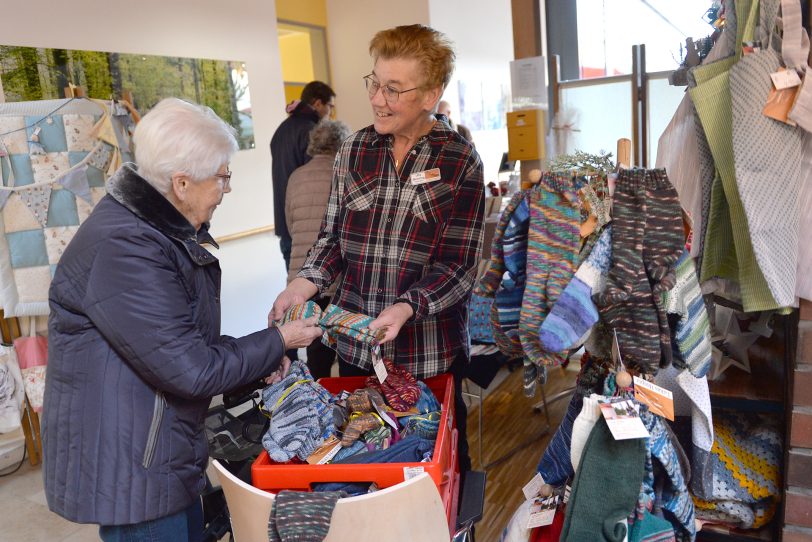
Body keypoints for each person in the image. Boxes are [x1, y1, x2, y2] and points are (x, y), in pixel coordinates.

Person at [42, 98, 323, 541]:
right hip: (136, 468)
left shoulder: (149, 232)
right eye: (222, 176)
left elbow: (175, 342)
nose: (226, 189)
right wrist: (280, 340)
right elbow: (191, 368)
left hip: (158, 455)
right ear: (181, 183)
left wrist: (266, 356)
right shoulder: (127, 247)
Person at [270, 24, 485, 474]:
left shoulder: (459, 160)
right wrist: (303, 284)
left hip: (429, 354)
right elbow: (331, 239)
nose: (377, 99)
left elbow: (459, 266)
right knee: (368, 464)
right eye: (374, 83)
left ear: (431, 94)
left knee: (439, 469)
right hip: (358, 351)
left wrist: (406, 308)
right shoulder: (354, 150)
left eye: (393, 89)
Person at [285, 119, 352, 379]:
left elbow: (291, 225)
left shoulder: (296, 176)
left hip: (303, 276)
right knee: (346, 346)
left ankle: (320, 402)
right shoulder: (345, 173)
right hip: (338, 275)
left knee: (316, 348)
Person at [271, 80, 336, 272]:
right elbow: (316, 182)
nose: (330, 113)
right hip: (309, 230)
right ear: (317, 103)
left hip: (287, 224)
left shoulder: (282, 129)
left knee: (295, 292)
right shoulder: (310, 131)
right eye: (329, 106)